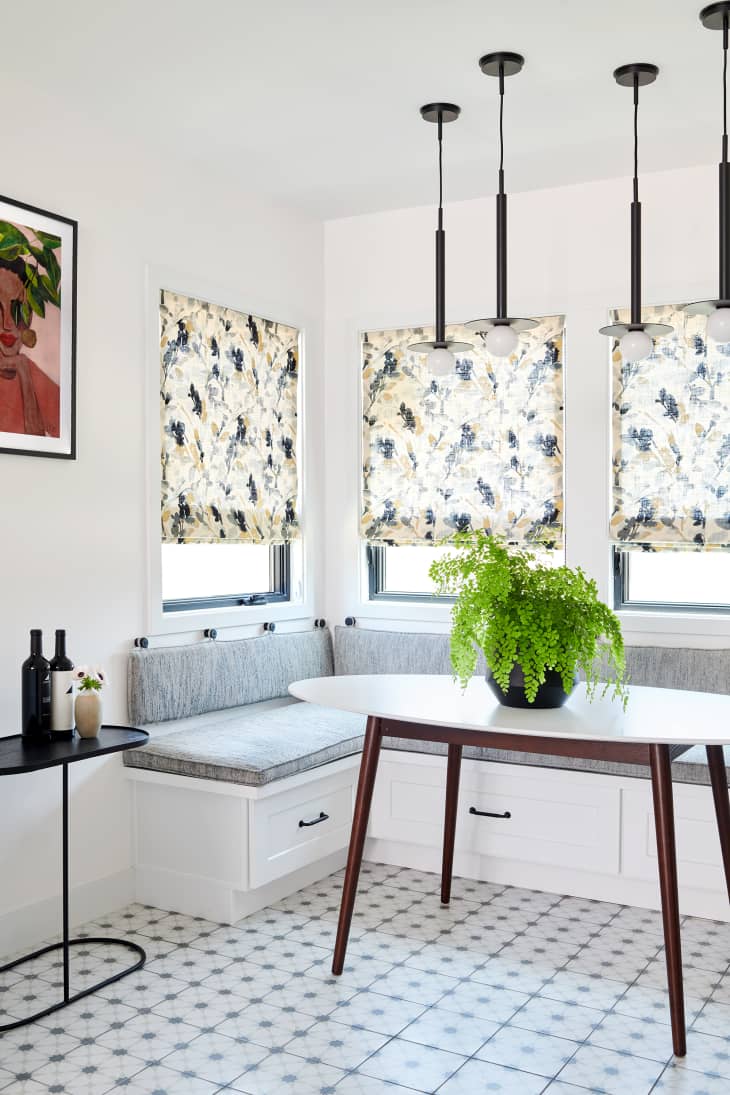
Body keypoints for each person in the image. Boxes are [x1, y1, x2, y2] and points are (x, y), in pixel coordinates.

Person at [0, 260, 60, 438]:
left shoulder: (30, 372)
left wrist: (24, 374)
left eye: (18, 308)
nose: (8, 324)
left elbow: (41, 450)